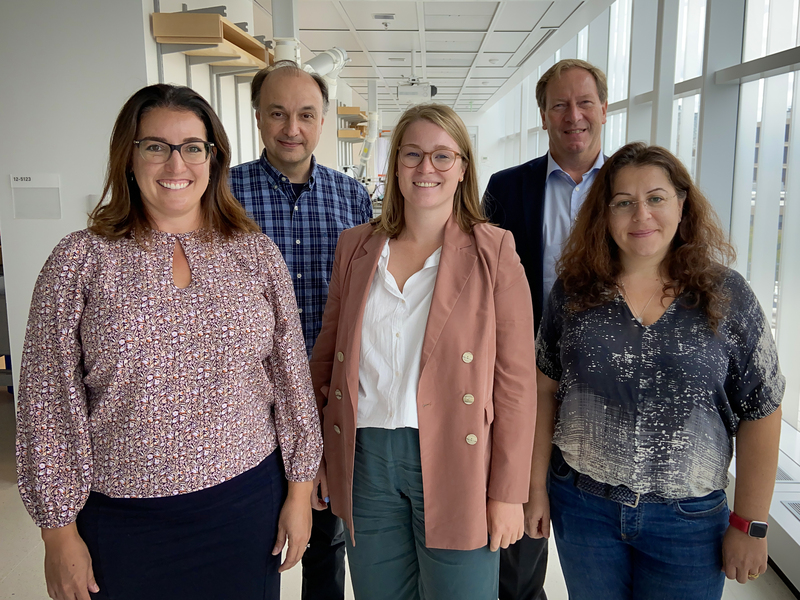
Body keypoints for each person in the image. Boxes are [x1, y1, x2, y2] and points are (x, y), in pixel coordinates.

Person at [15, 84, 322, 600]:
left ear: (213, 157)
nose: (176, 163)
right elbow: (47, 405)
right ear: (128, 156)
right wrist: (57, 531)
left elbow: (290, 379)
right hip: (123, 522)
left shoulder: (255, 254)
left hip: (247, 506)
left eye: (192, 147)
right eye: (156, 146)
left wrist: (300, 489)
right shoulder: (79, 261)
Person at [530, 142, 784, 600]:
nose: (641, 215)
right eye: (623, 202)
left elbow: (762, 409)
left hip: (688, 521)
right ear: (604, 214)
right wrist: (534, 489)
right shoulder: (574, 292)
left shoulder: (726, 296)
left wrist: (751, 523)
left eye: (656, 198)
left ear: (682, 205)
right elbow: (543, 390)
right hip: (583, 508)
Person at [309, 103, 538, 599]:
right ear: (395, 166)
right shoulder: (355, 247)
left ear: (462, 168)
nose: (425, 168)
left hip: (459, 456)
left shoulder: (495, 250)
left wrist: (508, 494)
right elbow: (326, 361)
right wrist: (318, 456)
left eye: (441, 155)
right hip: (365, 459)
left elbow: (517, 384)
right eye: (412, 154)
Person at [230, 60, 372, 600]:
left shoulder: (351, 196)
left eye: (306, 115)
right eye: (278, 113)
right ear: (258, 117)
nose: (292, 128)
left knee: (327, 536)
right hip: (248, 395)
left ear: (323, 121)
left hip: (326, 390)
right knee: (253, 533)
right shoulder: (221, 194)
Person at [483, 58, 609, 600]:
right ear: (543, 115)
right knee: (520, 517)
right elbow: (481, 280)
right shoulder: (508, 187)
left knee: (600, 530)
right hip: (525, 374)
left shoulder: (631, 185)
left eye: (584, 103)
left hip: (608, 383)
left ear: (604, 109)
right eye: (560, 105)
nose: (573, 116)